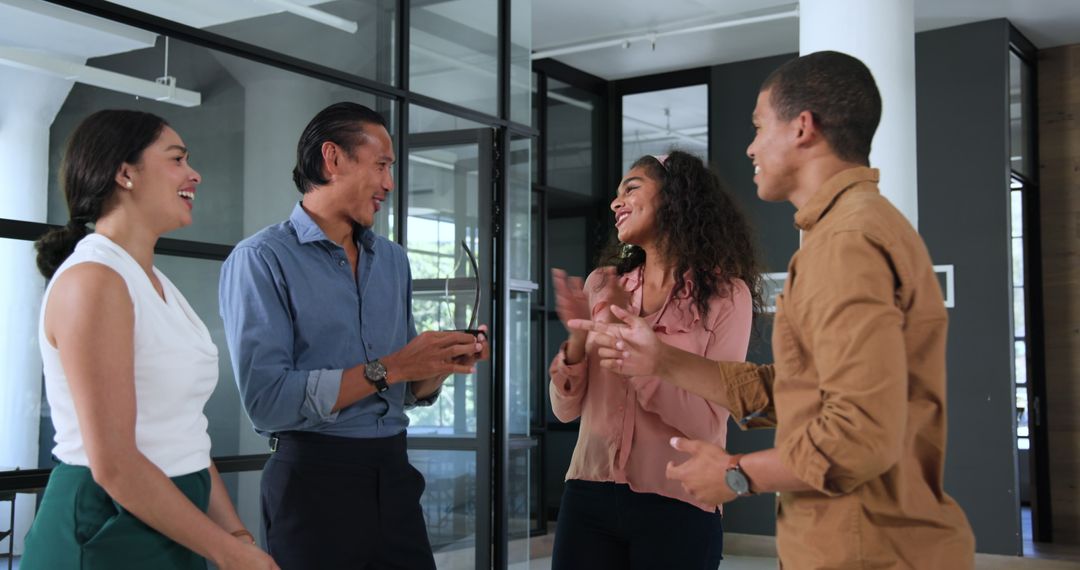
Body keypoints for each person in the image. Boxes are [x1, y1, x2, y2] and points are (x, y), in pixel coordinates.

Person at [569, 51, 976, 569]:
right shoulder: (849, 230)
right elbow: (801, 390)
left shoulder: (847, 242)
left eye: (760, 127)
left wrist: (737, 473)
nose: (751, 146)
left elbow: (857, 434)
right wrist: (661, 361)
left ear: (802, 128)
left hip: (865, 550)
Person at [218, 102, 488, 570]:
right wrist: (395, 367)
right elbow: (267, 402)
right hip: (313, 484)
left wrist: (438, 365)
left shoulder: (393, 261)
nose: (389, 183)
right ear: (333, 159)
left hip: (394, 475)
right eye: (381, 165)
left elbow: (402, 390)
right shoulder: (261, 259)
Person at [22, 110, 278, 570]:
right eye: (177, 159)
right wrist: (227, 552)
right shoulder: (94, 280)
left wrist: (237, 537)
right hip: (107, 525)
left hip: (174, 522)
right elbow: (115, 464)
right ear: (125, 173)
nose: (194, 174)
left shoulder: (153, 281)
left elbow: (185, 435)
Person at [548, 150, 764, 570]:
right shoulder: (602, 285)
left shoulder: (727, 296)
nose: (616, 202)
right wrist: (577, 338)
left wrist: (644, 363)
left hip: (680, 502)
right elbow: (564, 409)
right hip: (588, 495)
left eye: (631, 188)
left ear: (674, 197)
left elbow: (707, 422)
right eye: (617, 193)